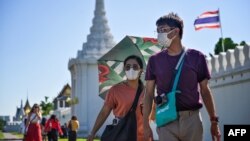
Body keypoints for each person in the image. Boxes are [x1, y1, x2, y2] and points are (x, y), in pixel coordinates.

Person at [143, 12, 221, 141]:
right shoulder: (154, 60)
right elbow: (149, 93)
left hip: (192, 120)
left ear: (176, 32)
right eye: (158, 30)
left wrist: (214, 121)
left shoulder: (197, 57)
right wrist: (145, 125)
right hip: (166, 120)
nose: (159, 34)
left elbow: (205, 90)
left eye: (163, 30)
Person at [87, 55, 147, 141]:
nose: (131, 69)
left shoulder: (147, 91)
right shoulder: (115, 90)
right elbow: (104, 113)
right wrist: (93, 133)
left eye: (135, 67)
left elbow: (153, 116)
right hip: (123, 135)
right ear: (124, 70)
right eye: (128, 67)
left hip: (143, 136)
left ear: (141, 70)